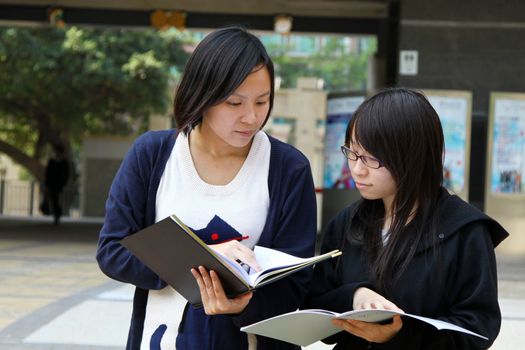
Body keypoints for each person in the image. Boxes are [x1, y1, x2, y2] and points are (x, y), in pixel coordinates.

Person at [96, 26, 317, 350]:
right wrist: (206, 259)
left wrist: (243, 305)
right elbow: (112, 251)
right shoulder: (152, 154)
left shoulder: (288, 168)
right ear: (202, 94)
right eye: (234, 103)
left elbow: (295, 286)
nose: (251, 117)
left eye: (262, 101)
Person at [303, 87, 509, 349]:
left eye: (370, 159)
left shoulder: (465, 232)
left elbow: (477, 330)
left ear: (412, 158)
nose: (357, 169)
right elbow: (314, 305)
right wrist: (355, 295)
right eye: (352, 153)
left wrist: (398, 337)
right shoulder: (347, 223)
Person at [42, 144, 69, 225]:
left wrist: (63, 183)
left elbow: (66, 174)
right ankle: (56, 215)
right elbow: (47, 174)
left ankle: (57, 215)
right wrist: (47, 184)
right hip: (51, 185)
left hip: (59, 185)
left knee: (56, 200)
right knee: (54, 200)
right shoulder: (51, 161)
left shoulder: (64, 162)